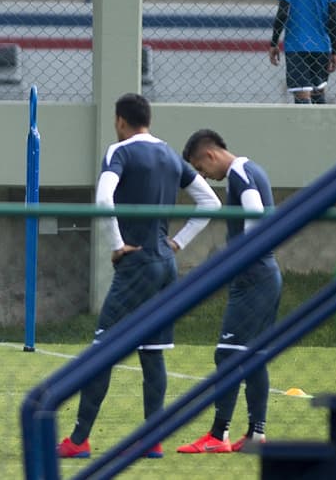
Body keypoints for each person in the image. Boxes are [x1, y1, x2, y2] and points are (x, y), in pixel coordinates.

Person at [58, 92, 221, 459]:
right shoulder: (169, 155)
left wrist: (117, 244)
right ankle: (152, 439)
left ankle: (79, 440)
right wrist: (177, 243)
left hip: (136, 263)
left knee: (102, 349)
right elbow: (211, 202)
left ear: (119, 121)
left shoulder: (121, 152)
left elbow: (103, 198)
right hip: (166, 265)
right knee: (153, 352)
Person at [177, 128, 281, 454]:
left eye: (201, 168)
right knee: (253, 356)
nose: (205, 176)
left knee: (228, 353)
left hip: (253, 275)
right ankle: (255, 434)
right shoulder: (253, 169)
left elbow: (254, 216)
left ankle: (218, 435)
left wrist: (241, 255)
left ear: (209, 155)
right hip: (264, 274)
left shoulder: (239, 174)